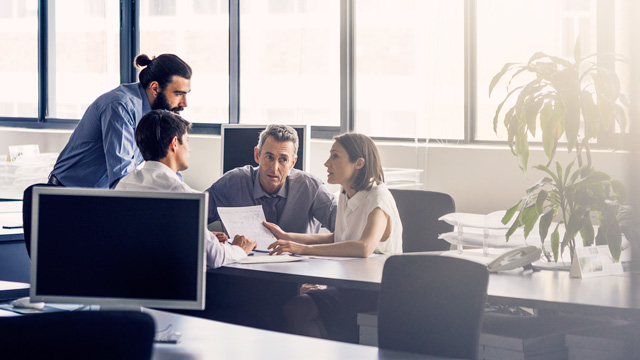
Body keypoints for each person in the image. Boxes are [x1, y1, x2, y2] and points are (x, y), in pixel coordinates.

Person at [263, 132, 403, 343]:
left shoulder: (378, 197)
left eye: (335, 156)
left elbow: (363, 247)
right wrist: (288, 237)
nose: (327, 163)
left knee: (298, 311)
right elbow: (337, 238)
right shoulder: (346, 194)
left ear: (359, 163)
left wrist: (303, 249)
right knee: (293, 309)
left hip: (374, 294)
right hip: (349, 287)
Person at [116, 109, 256, 269]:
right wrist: (240, 249)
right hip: (168, 287)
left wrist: (203, 237)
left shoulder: (125, 183)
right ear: (174, 143)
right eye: (187, 141)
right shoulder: (182, 194)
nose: (189, 149)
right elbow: (215, 257)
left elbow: (152, 236)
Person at [49, 53, 192, 189]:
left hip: (95, 197)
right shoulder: (120, 106)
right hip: (68, 196)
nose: (184, 103)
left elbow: (168, 168)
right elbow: (121, 179)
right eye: (179, 94)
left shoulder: (158, 117)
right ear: (155, 88)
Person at [204, 124, 337, 234]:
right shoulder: (233, 183)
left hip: (298, 264)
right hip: (242, 264)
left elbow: (346, 230)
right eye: (269, 157)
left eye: (283, 160)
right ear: (257, 155)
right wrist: (210, 237)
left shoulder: (310, 188)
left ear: (292, 163)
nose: (274, 168)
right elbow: (191, 218)